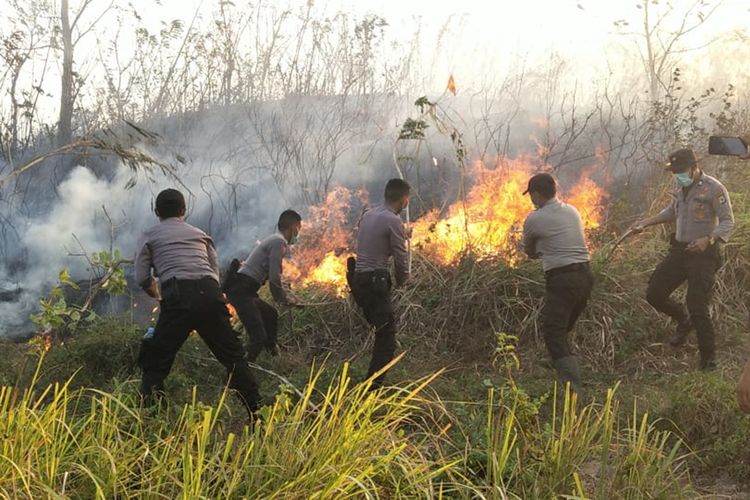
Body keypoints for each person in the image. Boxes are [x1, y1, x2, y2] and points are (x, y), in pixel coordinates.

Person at [135, 188, 263, 416]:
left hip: (177, 298)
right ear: (184, 210)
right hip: (210, 296)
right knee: (234, 359)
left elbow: (142, 277)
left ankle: (151, 418)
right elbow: (214, 274)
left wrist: (159, 294)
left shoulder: (149, 235)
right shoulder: (201, 235)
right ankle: (257, 414)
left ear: (156, 212)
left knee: (155, 361)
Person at [632, 148, 734, 370]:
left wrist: (708, 239)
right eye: (675, 171)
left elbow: (728, 221)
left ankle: (709, 359)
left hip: (704, 254)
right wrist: (645, 223)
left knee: (698, 305)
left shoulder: (714, 188)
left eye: (681, 170)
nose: (678, 175)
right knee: (655, 293)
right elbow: (672, 212)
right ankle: (683, 320)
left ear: (694, 167)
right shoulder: (679, 186)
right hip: (680, 251)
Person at [522, 173, 594, 393]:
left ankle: (574, 390)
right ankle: (558, 358)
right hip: (586, 276)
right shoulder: (572, 210)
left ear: (535, 194)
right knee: (562, 328)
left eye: (530, 195)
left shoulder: (534, 218)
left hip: (563, 279)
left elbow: (529, 251)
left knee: (553, 331)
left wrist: (538, 251)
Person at [348, 178, 410, 389]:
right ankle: (372, 390)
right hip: (374, 282)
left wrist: (401, 235)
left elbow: (377, 242)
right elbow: (401, 259)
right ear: (404, 199)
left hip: (358, 281)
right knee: (387, 337)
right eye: (407, 200)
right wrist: (403, 281)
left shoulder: (368, 215)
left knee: (380, 329)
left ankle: (371, 383)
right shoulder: (393, 220)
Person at [223, 210, 302, 362]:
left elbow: (275, 279)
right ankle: (238, 370)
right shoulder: (279, 242)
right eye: (299, 228)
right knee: (258, 337)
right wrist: (284, 300)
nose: (298, 233)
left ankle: (272, 354)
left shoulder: (275, 241)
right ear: (293, 227)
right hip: (241, 291)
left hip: (247, 291)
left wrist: (289, 296)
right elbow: (274, 278)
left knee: (270, 314)